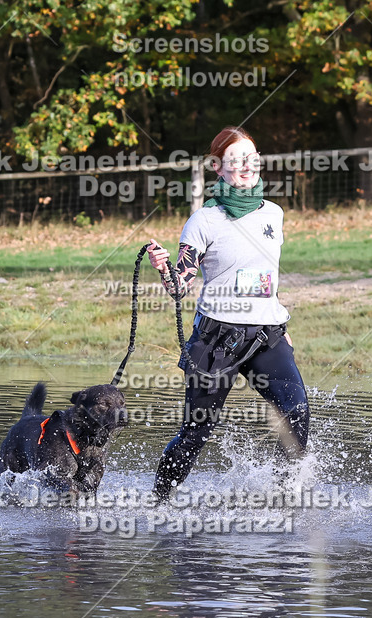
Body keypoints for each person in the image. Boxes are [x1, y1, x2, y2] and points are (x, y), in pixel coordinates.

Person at [146, 125, 310, 500]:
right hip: (216, 340)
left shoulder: (274, 213)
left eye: (251, 158)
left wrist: (276, 317)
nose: (245, 166)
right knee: (195, 433)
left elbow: (263, 272)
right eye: (235, 160)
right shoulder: (205, 220)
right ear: (218, 166)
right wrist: (164, 267)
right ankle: (158, 503)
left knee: (297, 410)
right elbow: (179, 285)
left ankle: (287, 499)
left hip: (267, 336)